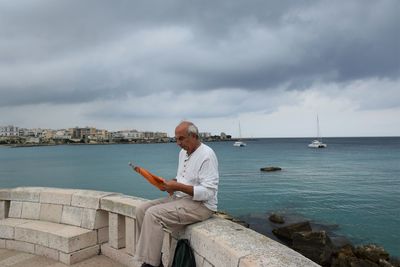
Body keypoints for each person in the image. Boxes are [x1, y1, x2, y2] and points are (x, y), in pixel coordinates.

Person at [134, 121, 219, 267]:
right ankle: (154, 258)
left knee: (153, 214)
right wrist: (169, 185)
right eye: (176, 139)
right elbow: (182, 179)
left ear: (193, 136)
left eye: (181, 138)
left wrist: (178, 185)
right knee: (141, 210)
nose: (177, 143)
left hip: (202, 205)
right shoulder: (183, 153)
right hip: (180, 198)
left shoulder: (207, 155)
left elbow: (209, 192)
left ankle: (150, 264)